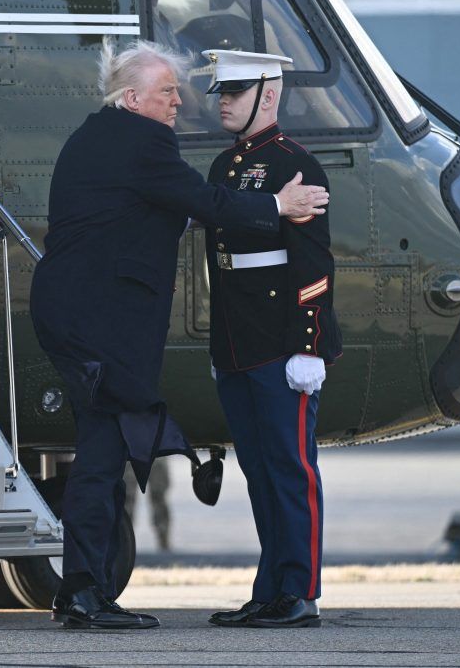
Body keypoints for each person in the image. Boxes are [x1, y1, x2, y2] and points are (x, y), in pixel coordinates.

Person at [29, 40, 329, 631]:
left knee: (101, 450)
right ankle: (86, 592)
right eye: (168, 90)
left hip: (77, 316)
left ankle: (85, 590)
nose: (180, 100)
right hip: (101, 324)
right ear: (133, 96)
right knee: (100, 456)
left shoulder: (96, 134)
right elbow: (204, 201)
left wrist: (307, 342)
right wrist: (276, 203)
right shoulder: (141, 140)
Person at [201, 50, 341, 630]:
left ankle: (300, 591)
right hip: (239, 344)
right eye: (221, 92)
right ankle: (270, 588)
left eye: (236, 90)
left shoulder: (294, 166)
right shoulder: (223, 168)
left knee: (291, 468)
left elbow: (313, 264)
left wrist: (307, 346)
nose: (225, 101)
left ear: (270, 94)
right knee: (259, 471)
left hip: (283, 346)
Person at [122, 458, 171, 552]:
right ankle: (124, 543)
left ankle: (164, 539)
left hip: (155, 451)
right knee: (126, 498)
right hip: (131, 451)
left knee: (158, 496)